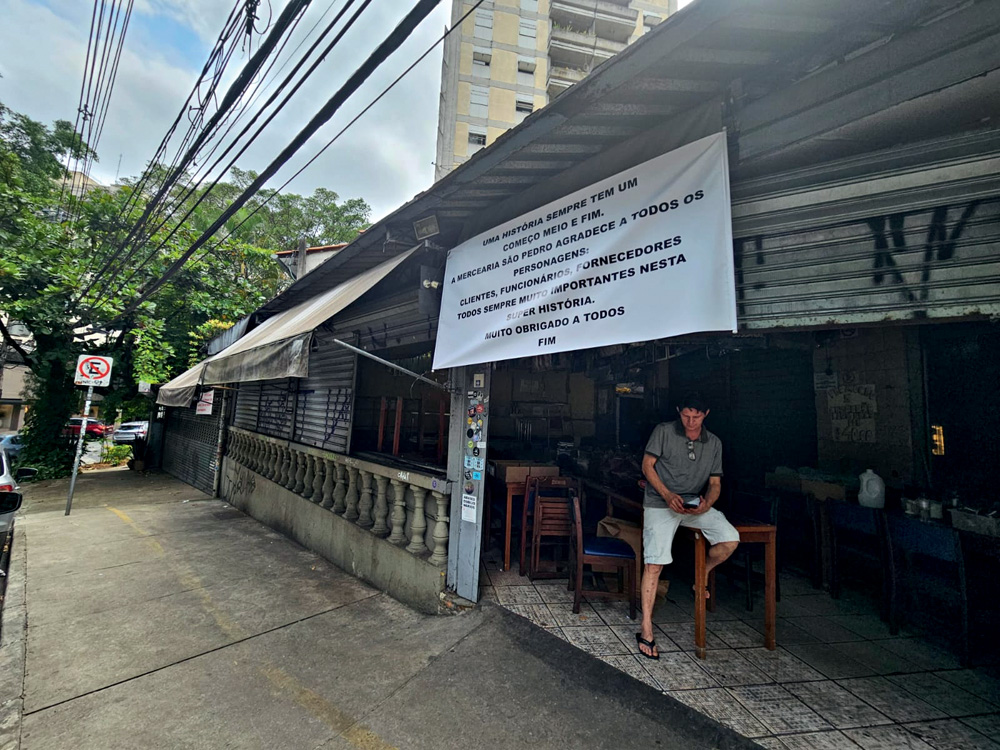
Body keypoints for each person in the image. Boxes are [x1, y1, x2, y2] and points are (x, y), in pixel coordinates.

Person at [635, 393, 739, 660]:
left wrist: (708, 503)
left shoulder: (714, 443)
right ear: (679, 411)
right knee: (654, 563)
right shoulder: (664, 431)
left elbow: (715, 483)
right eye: (686, 415)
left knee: (729, 539)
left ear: (706, 414)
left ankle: (701, 574)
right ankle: (646, 628)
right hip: (661, 503)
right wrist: (667, 494)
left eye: (697, 416)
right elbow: (648, 466)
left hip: (694, 504)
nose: (691, 422)